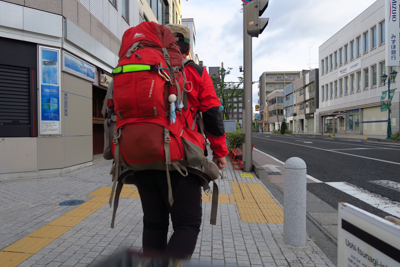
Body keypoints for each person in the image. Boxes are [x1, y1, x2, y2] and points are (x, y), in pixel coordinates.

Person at [133, 24, 228, 260]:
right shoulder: (194, 71)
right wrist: (220, 152)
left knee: (154, 224)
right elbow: (212, 113)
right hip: (180, 161)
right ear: (186, 47)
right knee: (187, 225)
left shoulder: (140, 68)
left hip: (141, 158)